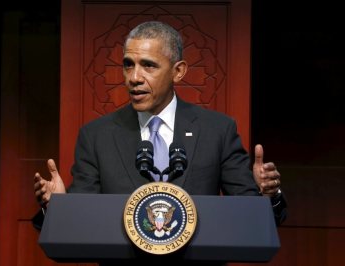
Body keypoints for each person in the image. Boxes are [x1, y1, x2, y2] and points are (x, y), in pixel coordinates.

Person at [33, 20, 287, 264]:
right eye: (128, 65)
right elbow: (78, 226)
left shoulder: (217, 130)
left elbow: (255, 219)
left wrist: (268, 196)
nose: (134, 77)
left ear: (178, 71)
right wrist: (58, 207)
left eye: (148, 66)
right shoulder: (96, 135)